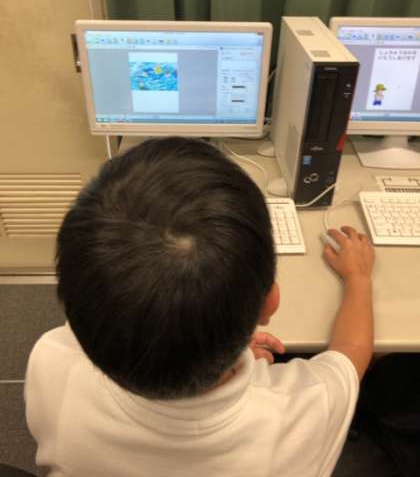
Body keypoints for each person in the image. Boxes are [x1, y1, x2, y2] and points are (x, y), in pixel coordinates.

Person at [24, 137, 375, 477]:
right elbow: (352, 352)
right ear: (270, 303)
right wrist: (358, 276)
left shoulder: (52, 361)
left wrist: (217, 347)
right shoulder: (305, 408)